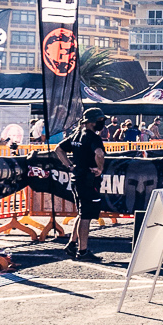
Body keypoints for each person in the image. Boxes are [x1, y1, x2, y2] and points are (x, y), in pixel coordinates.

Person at [65, 108, 108, 258]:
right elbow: (99, 153)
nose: (102, 123)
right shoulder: (93, 138)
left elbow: (59, 149)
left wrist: (70, 166)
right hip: (88, 181)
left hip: (77, 178)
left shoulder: (77, 134)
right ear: (91, 122)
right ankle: (82, 251)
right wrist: (100, 168)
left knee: (82, 212)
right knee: (86, 216)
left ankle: (72, 243)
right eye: (100, 120)